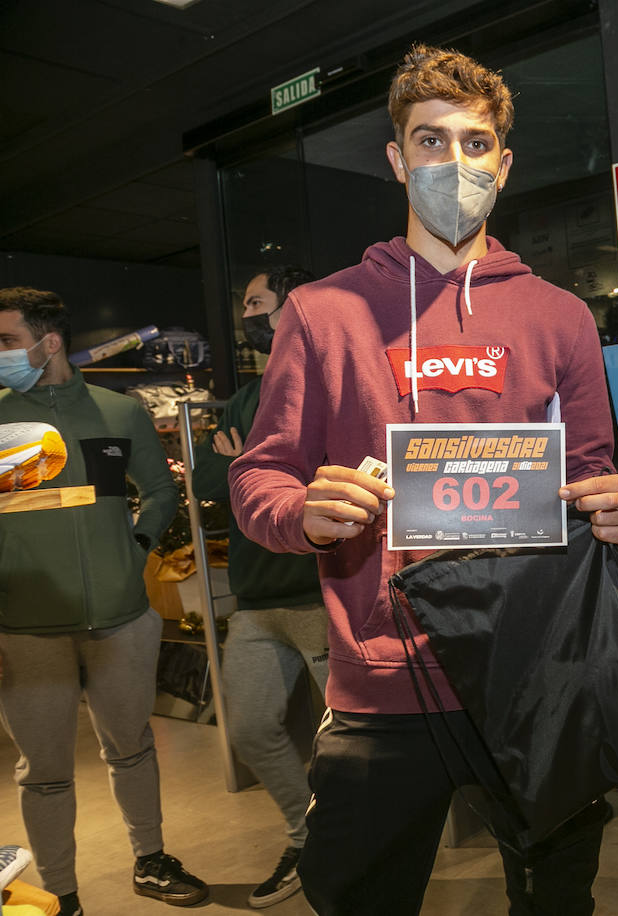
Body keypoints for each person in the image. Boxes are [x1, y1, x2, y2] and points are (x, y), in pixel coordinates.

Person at [228, 45, 618, 916]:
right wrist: (305, 511)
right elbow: (257, 476)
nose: (455, 164)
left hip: (530, 672)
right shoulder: (324, 312)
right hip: (383, 678)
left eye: (476, 143)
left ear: (505, 162)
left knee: (558, 899)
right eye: (430, 142)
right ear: (396, 159)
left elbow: (592, 470)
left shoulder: (560, 316)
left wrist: (610, 508)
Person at [0, 287, 208, 916]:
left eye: (6, 341)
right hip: (26, 627)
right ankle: (61, 897)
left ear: (49, 340)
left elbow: (160, 491)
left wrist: (134, 548)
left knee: (132, 745)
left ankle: (150, 859)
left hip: (122, 619)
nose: (0, 354)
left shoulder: (118, 414)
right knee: (44, 771)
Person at [190, 265, 325, 909]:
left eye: (255, 302)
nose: (246, 314)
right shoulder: (246, 397)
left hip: (325, 594)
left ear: (291, 306)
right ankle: (308, 834)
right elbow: (212, 484)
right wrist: (245, 468)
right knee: (248, 730)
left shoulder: (330, 377)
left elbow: (319, 478)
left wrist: (243, 461)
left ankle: (351, 838)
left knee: (353, 743)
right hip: (256, 602)